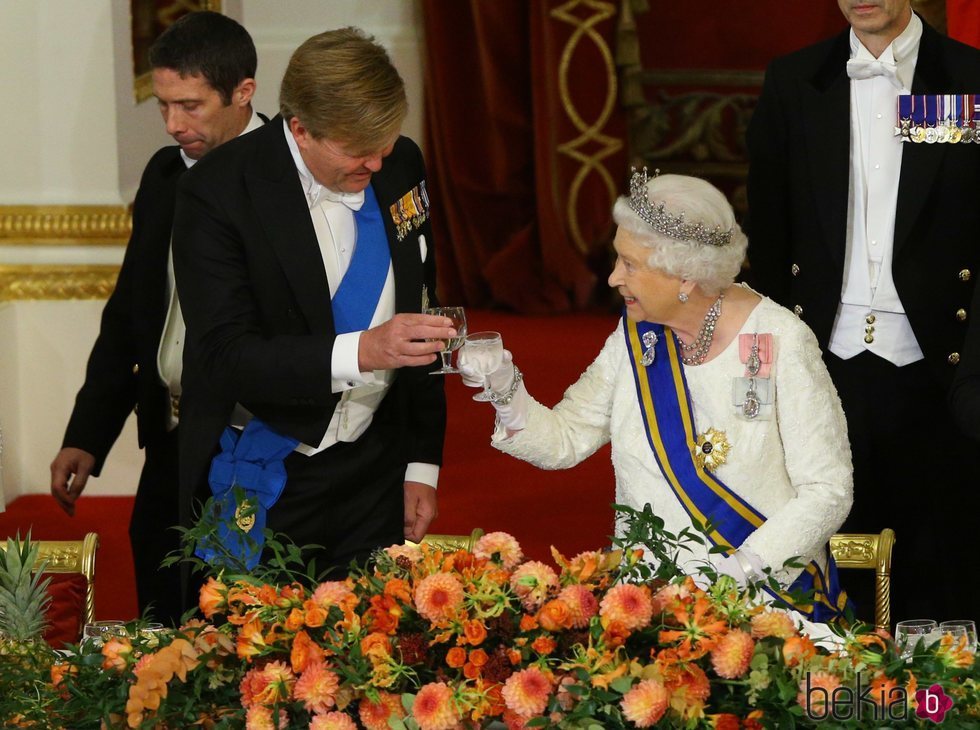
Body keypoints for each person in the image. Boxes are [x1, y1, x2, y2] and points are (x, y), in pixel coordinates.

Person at [462, 172, 853, 621]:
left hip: (764, 604)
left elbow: (827, 491)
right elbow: (565, 440)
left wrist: (738, 576)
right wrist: (505, 388)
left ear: (683, 275)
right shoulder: (634, 336)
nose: (612, 278)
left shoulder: (779, 338)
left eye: (629, 264)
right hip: (647, 608)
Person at [171, 28, 453, 581]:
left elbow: (423, 306)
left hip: (375, 463)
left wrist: (421, 463)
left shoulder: (400, 164)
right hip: (268, 466)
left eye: (386, 144)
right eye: (358, 150)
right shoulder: (216, 192)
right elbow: (226, 353)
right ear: (299, 128)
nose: (376, 164)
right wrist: (365, 350)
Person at [745, 1, 980, 622]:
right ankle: (838, 700)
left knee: (938, 558)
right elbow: (769, 233)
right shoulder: (794, 79)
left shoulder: (966, 79)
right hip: (825, 358)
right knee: (832, 556)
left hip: (939, 364)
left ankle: (938, 705)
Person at [49, 11, 262, 626]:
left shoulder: (290, 179)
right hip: (170, 440)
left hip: (258, 447)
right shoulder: (164, 175)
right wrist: (87, 432)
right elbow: (131, 315)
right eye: (163, 105)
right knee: (163, 621)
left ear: (243, 92)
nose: (173, 125)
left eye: (190, 106)